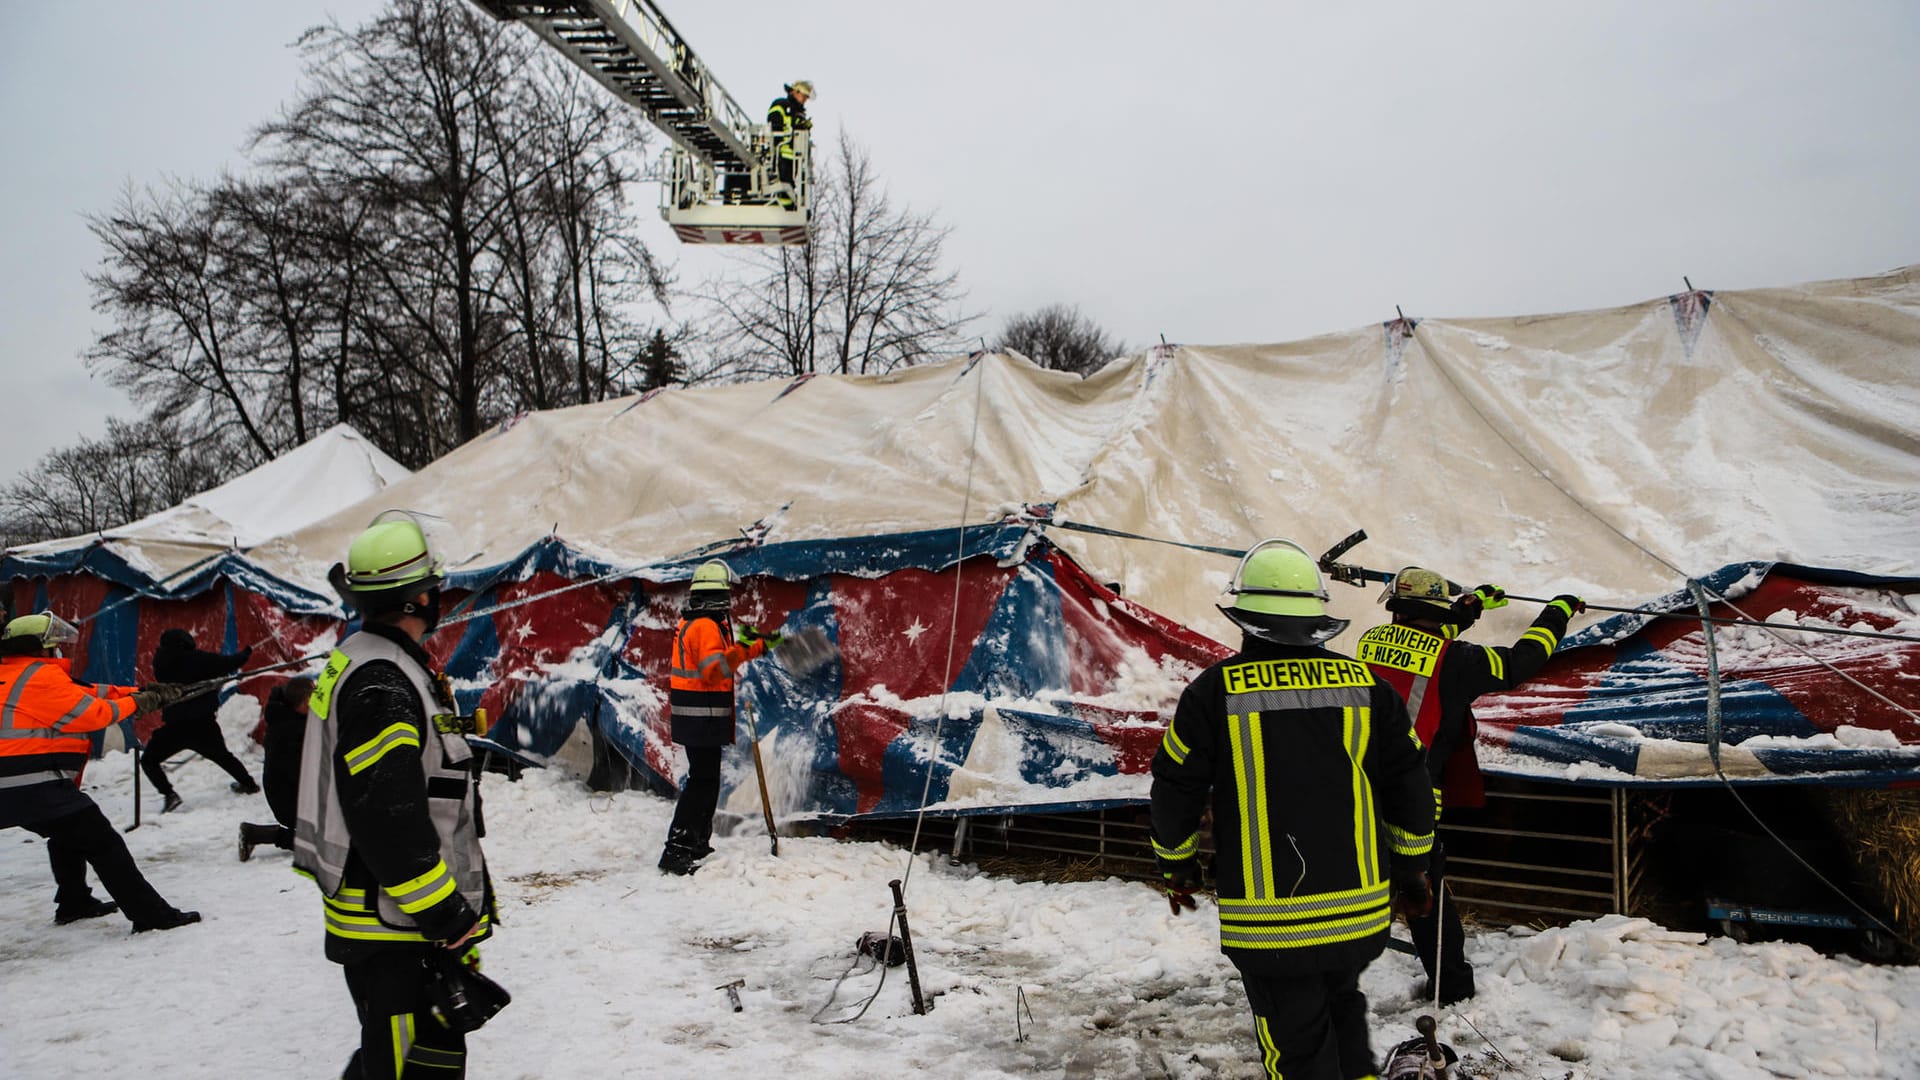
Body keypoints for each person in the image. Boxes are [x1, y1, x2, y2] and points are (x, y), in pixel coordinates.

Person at [1150, 539, 1435, 1080]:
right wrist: (1413, 868)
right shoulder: (1368, 685)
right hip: (1360, 914)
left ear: (1245, 617)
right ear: (1316, 616)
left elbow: (1174, 787)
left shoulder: (1215, 692)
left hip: (1271, 926)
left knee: (1296, 1047)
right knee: (1343, 1007)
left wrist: (1176, 864)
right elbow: (1408, 783)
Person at [294, 511, 496, 1079]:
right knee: (411, 1067)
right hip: (395, 924)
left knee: (399, 1059)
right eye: (431, 587)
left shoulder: (371, 660)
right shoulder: (383, 685)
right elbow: (388, 821)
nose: (439, 596)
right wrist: (447, 916)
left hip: (390, 918)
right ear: (413, 602)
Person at [1355, 567, 1583, 1006]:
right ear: (1438, 612)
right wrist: (1558, 612)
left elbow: (1424, 643)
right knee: (1423, 890)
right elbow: (1518, 663)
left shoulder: (1371, 642)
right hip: (1411, 795)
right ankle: (1453, 987)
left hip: (1356, 785)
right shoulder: (1458, 661)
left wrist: (1471, 605)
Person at [0, 612, 201, 932]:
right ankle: (151, 915)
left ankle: (74, 901)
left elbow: (90, 691)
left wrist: (143, 691)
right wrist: (142, 703)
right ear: (43, 648)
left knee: (65, 829)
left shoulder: (15, 675)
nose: (60, 651)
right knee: (101, 840)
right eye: (55, 646)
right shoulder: (40, 676)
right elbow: (93, 712)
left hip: (13, 786)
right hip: (28, 782)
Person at [659, 558, 777, 875]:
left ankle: (696, 843)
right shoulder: (706, 626)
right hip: (702, 716)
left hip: (697, 716)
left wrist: (754, 647)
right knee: (701, 783)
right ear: (718, 595)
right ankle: (678, 850)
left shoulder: (696, 623)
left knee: (706, 781)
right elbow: (713, 672)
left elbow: (719, 660)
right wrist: (743, 650)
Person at [143, 628, 258, 811]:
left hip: (175, 727)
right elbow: (229, 664)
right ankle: (248, 784)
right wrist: (245, 653)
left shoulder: (161, 663)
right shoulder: (199, 660)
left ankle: (168, 794)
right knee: (223, 756)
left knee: (148, 760)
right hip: (203, 724)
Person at [238, 676, 314, 861]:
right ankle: (256, 834)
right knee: (334, 843)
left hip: (295, 790)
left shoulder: (291, 716)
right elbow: (305, 775)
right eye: (312, 698)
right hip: (289, 799)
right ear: (302, 702)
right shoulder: (290, 733)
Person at [767, 79, 812, 207]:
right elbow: (774, 122)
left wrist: (804, 127)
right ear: (795, 92)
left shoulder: (799, 112)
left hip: (795, 156)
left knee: (790, 184)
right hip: (782, 153)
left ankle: (788, 206)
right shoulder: (781, 104)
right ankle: (783, 208)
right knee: (784, 183)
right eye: (804, 96)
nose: (805, 100)